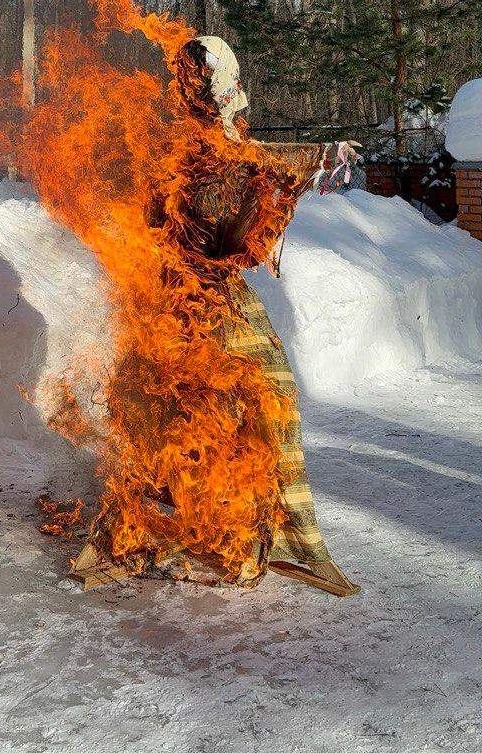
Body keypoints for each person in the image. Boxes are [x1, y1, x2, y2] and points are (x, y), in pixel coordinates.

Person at [73, 34, 359, 596]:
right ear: (208, 88)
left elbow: (255, 163)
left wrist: (316, 157)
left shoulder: (219, 142)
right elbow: (233, 178)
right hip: (181, 301)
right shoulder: (188, 149)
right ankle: (152, 530)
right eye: (228, 79)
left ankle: (282, 534)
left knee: (261, 402)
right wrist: (311, 160)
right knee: (177, 412)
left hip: (208, 297)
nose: (239, 91)